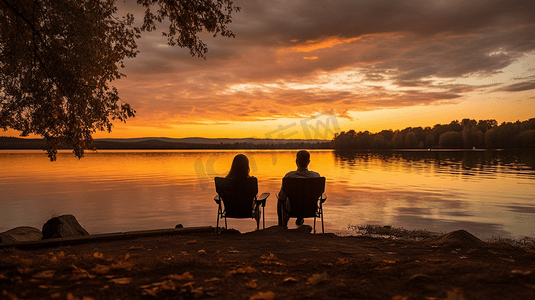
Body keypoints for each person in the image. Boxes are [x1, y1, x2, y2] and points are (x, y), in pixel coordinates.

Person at [277, 150, 321, 228]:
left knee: (280, 199)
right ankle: (300, 218)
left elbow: (282, 197)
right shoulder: (316, 176)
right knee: (304, 196)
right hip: (311, 209)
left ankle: (282, 225)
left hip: (292, 210)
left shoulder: (288, 177)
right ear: (308, 162)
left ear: (296, 161)